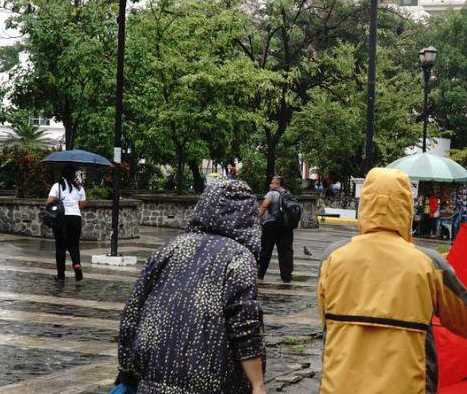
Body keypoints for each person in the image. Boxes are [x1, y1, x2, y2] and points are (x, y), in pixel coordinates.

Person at [317, 168, 467, 393]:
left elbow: (324, 318)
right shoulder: (428, 264)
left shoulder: (332, 257)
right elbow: (466, 317)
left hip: (340, 385)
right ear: (406, 207)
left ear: (364, 203)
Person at [116, 180, 266, 394]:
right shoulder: (239, 258)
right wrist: (258, 383)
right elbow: (244, 326)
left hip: (153, 376)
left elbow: (132, 312)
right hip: (212, 382)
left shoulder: (169, 248)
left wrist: (127, 369)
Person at [47, 165, 87, 282]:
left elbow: (49, 202)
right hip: (75, 218)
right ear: (74, 175)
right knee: (74, 245)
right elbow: (82, 205)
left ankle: (60, 275)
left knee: (60, 246)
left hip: (61, 219)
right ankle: (77, 265)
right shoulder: (79, 188)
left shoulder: (57, 186)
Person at [258, 176, 294, 283]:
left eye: (272, 183)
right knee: (285, 252)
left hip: (271, 226)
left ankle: (260, 274)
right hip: (286, 227)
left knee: (266, 250)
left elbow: (264, 207)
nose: (270, 185)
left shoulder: (272, 194)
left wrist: (256, 218)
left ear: (278, 185)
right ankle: (286, 276)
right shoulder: (288, 195)